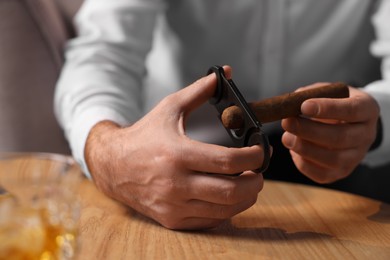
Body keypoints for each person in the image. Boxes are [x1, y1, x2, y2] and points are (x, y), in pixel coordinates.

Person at [55, 0, 390, 230]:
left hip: (351, 161)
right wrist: (110, 152)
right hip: (173, 161)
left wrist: (376, 120)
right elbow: (103, 53)